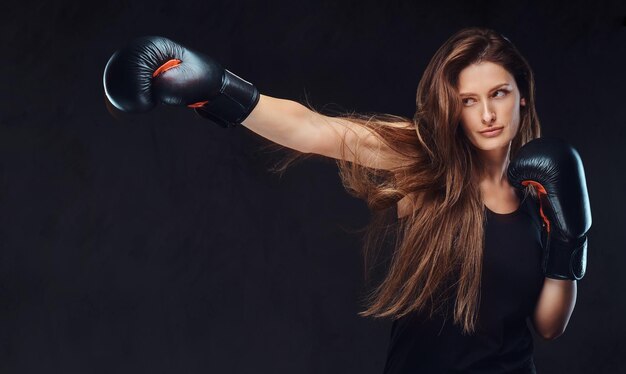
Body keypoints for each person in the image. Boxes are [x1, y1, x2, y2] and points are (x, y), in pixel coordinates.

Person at [103, 27, 592, 373]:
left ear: (521, 95)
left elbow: (547, 326)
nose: (487, 113)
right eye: (468, 100)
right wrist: (214, 87)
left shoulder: (543, 193)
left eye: (499, 93)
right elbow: (315, 130)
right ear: (453, 106)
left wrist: (569, 244)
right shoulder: (423, 162)